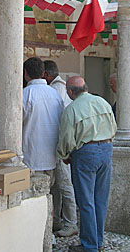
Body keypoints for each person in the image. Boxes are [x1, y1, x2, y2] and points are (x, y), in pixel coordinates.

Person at [57, 76, 116, 252]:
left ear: (70, 92)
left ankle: (89, 245)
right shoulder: (102, 102)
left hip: (86, 152)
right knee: (100, 199)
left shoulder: (72, 109)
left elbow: (67, 137)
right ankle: (98, 241)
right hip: (106, 148)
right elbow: (113, 126)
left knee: (86, 201)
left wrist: (64, 154)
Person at [43, 60, 78, 237]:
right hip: (60, 143)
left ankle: (71, 222)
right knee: (57, 187)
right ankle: (56, 219)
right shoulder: (60, 88)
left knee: (64, 185)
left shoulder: (56, 89)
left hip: (60, 145)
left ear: (46, 75)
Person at [22, 57, 64, 182]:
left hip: (30, 157)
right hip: (50, 157)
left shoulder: (25, 94)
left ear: (25, 73)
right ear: (43, 73)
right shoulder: (55, 94)